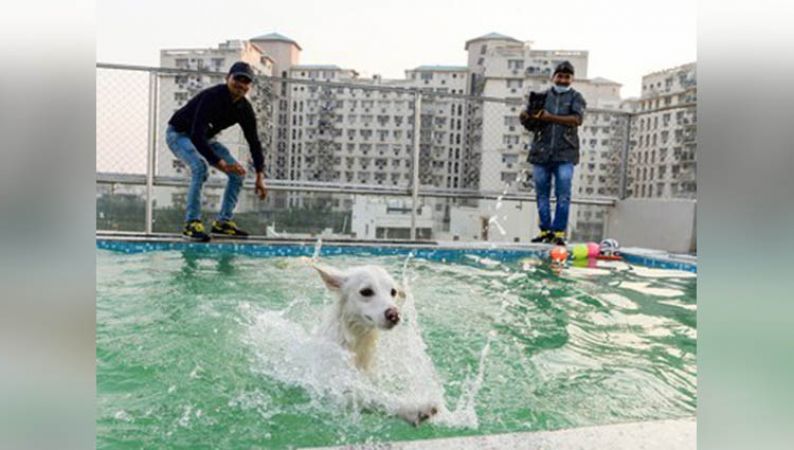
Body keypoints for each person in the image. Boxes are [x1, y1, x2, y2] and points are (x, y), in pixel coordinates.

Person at [166, 61, 268, 242]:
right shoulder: (212, 96)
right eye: (237, 79)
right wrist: (219, 163)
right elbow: (196, 135)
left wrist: (260, 175)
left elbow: (254, 142)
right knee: (199, 167)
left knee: (238, 174)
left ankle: (223, 223)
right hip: (179, 134)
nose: (241, 85)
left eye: (246, 82)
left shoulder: (244, 108)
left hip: (205, 139)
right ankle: (191, 224)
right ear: (227, 78)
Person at [520, 60, 587, 246]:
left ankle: (558, 232)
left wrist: (551, 117)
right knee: (541, 194)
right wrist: (525, 117)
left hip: (565, 153)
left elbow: (577, 119)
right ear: (553, 77)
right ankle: (545, 230)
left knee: (563, 194)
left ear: (572, 79)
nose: (563, 80)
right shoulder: (541, 97)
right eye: (560, 76)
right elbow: (530, 123)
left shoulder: (576, 98)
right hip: (541, 153)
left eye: (567, 77)